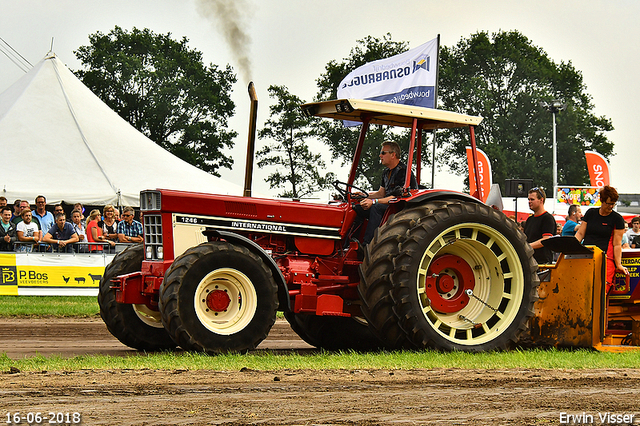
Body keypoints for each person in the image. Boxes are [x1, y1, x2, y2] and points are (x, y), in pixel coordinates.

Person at [354, 141, 418, 244]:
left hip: (400, 207)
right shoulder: (386, 172)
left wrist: (373, 201)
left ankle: (368, 244)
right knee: (357, 208)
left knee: (376, 208)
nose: (380, 155)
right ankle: (352, 242)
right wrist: (363, 196)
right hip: (388, 204)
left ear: (393, 155)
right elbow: (381, 193)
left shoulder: (404, 172)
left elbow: (397, 198)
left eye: (383, 153)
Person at [575, 185, 628, 292]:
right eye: (609, 203)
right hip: (587, 256)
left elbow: (617, 244)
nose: (611, 206)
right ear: (602, 200)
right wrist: (572, 247)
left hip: (605, 259)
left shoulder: (617, 219)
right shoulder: (591, 213)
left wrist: (618, 264)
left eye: (613, 204)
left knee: (600, 292)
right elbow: (580, 234)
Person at [523, 187, 557, 264]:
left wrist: (527, 246)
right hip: (530, 261)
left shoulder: (547, 218)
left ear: (541, 200)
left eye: (532, 199)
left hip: (542, 262)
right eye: (529, 199)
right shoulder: (530, 219)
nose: (529, 202)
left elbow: (546, 240)